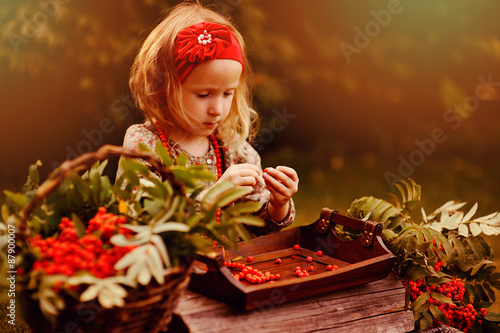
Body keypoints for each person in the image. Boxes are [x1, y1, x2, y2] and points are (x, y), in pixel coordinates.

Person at [117, 1, 298, 235]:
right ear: (164, 88)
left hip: (223, 267)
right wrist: (212, 197)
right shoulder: (144, 145)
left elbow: (257, 228)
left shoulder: (232, 149)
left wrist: (278, 204)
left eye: (227, 93)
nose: (218, 109)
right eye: (204, 94)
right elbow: (139, 218)